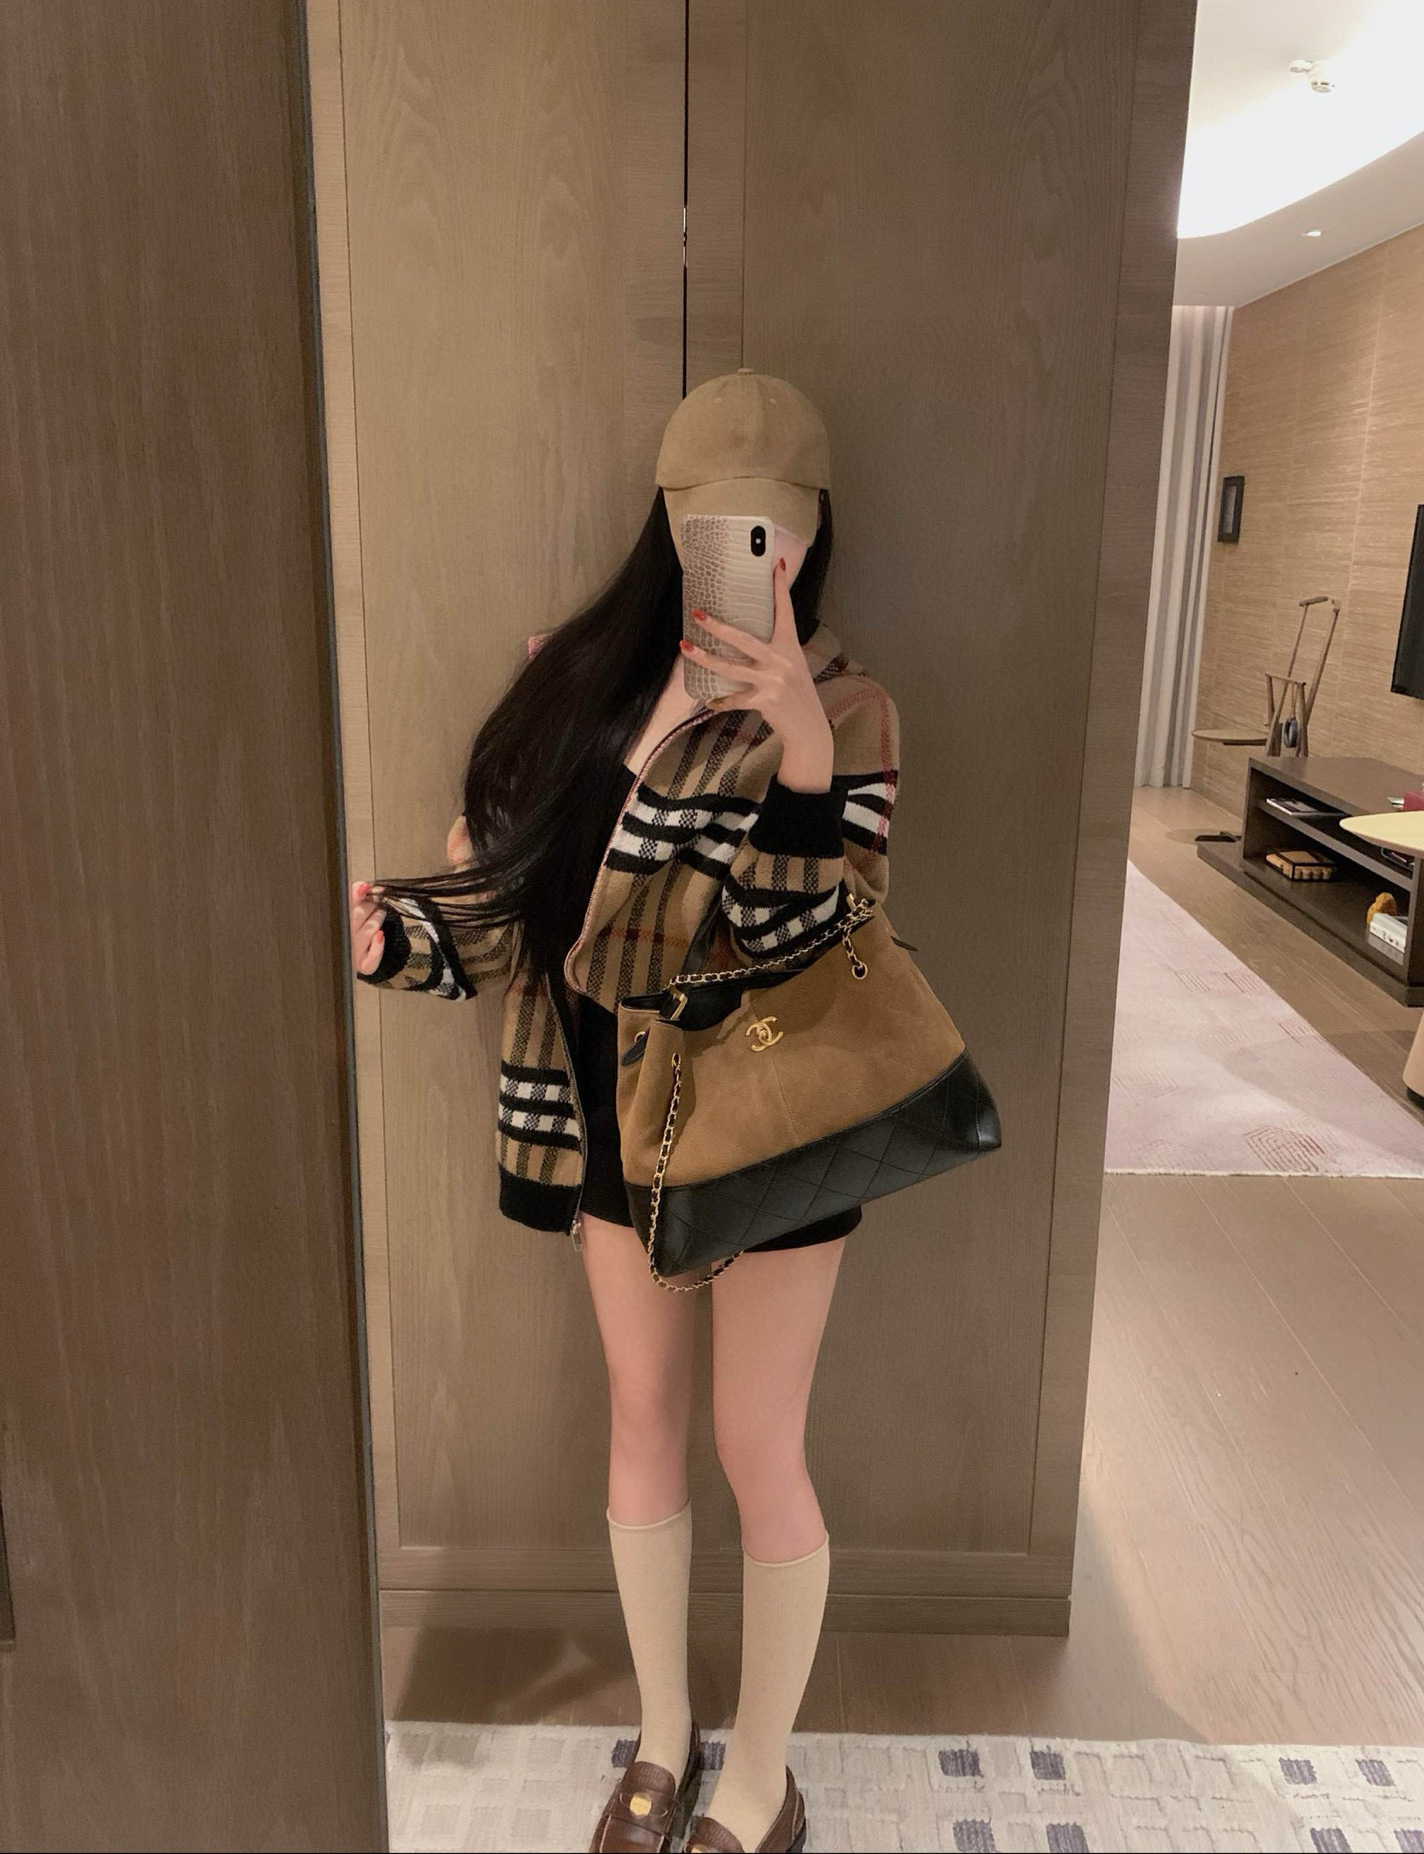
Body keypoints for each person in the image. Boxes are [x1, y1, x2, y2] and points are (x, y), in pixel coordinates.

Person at [350, 370, 900, 1854]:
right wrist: (399, 936)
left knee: (757, 1446)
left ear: (815, 535)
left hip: (775, 1123)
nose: (756, 559)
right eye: (724, 529)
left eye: (778, 533)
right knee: (642, 1422)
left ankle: (762, 1779)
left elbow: (814, 952)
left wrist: (800, 757)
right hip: (610, 1120)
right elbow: (513, 913)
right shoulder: (579, 688)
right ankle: (665, 1735)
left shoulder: (850, 707)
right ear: (673, 527)